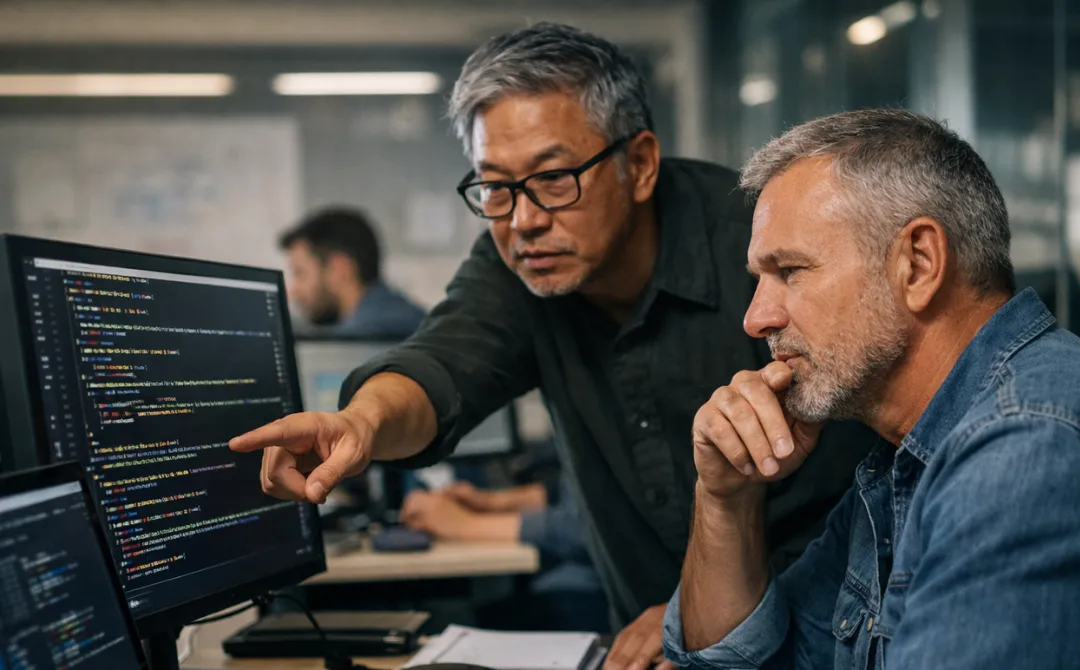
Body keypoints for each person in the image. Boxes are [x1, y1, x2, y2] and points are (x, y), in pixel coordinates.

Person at [231, 23, 875, 670]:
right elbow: (444, 361)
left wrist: (694, 610)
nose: (522, 219)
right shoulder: (518, 264)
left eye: (554, 178)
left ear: (641, 164)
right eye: (495, 187)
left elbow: (860, 497)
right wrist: (360, 423)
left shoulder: (758, 247)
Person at [662, 109, 1080, 668]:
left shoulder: (1033, 451)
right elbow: (747, 664)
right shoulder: (909, 453)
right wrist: (726, 498)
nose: (756, 319)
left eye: (790, 271)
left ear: (918, 264)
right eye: (759, 281)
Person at [402, 478, 611, 633]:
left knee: (448, 624)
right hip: (570, 579)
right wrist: (492, 502)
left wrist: (465, 524)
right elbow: (569, 487)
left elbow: (584, 527)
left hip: (602, 597)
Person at [279, 206, 425, 338]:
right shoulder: (398, 312)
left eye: (300, 273)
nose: (294, 290)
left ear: (339, 268)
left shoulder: (370, 334)